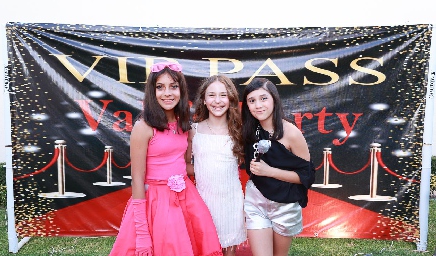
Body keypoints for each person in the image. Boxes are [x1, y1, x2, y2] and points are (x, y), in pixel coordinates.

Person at [109, 61, 223, 256]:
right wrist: (142, 232)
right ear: (152, 92)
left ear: (181, 90)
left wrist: (217, 168)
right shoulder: (143, 127)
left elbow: (185, 165)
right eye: (160, 87)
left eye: (173, 87)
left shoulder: (184, 125)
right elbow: (137, 179)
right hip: (156, 202)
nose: (167, 93)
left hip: (186, 198)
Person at [241, 78, 315, 256]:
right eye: (252, 101)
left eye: (263, 98)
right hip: (256, 201)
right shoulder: (250, 130)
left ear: (274, 99)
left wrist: (270, 171)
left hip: (285, 204)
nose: (258, 105)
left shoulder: (291, 133)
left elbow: (307, 176)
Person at [186, 75, 247, 256]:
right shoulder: (194, 131)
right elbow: (185, 166)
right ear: (204, 100)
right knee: (205, 248)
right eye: (212, 95)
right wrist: (203, 170)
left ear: (231, 99)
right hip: (203, 201)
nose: (217, 101)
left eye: (223, 95)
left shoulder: (239, 131)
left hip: (231, 201)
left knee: (229, 249)